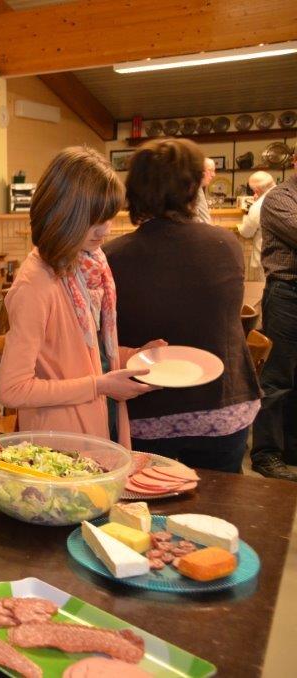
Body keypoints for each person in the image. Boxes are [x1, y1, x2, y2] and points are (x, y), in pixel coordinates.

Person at [105, 138, 261, 472]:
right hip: (223, 406)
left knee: (143, 515)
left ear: (132, 190)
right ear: (192, 188)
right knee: (218, 514)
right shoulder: (226, 245)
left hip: (144, 414)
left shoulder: (111, 257)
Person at [0, 147, 157, 446]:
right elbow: (12, 389)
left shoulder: (87, 265)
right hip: (62, 444)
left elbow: (77, 355)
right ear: (62, 214)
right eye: (93, 220)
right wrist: (99, 386)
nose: (104, 231)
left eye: (108, 217)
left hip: (97, 426)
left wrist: (131, 356)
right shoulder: (36, 284)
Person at [250, 155, 297, 480]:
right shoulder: (281, 197)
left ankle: (291, 449)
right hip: (287, 293)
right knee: (277, 378)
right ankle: (266, 454)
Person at [236, 171, 276, 283]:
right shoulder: (287, 195)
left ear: (256, 191)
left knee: (266, 291)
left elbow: (246, 232)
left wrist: (243, 221)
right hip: (288, 257)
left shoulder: (258, 206)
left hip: (267, 256)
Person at [193, 157, 216, 224]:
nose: (213, 175)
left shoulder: (198, 188)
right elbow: (205, 221)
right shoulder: (193, 190)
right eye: (210, 170)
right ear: (200, 171)